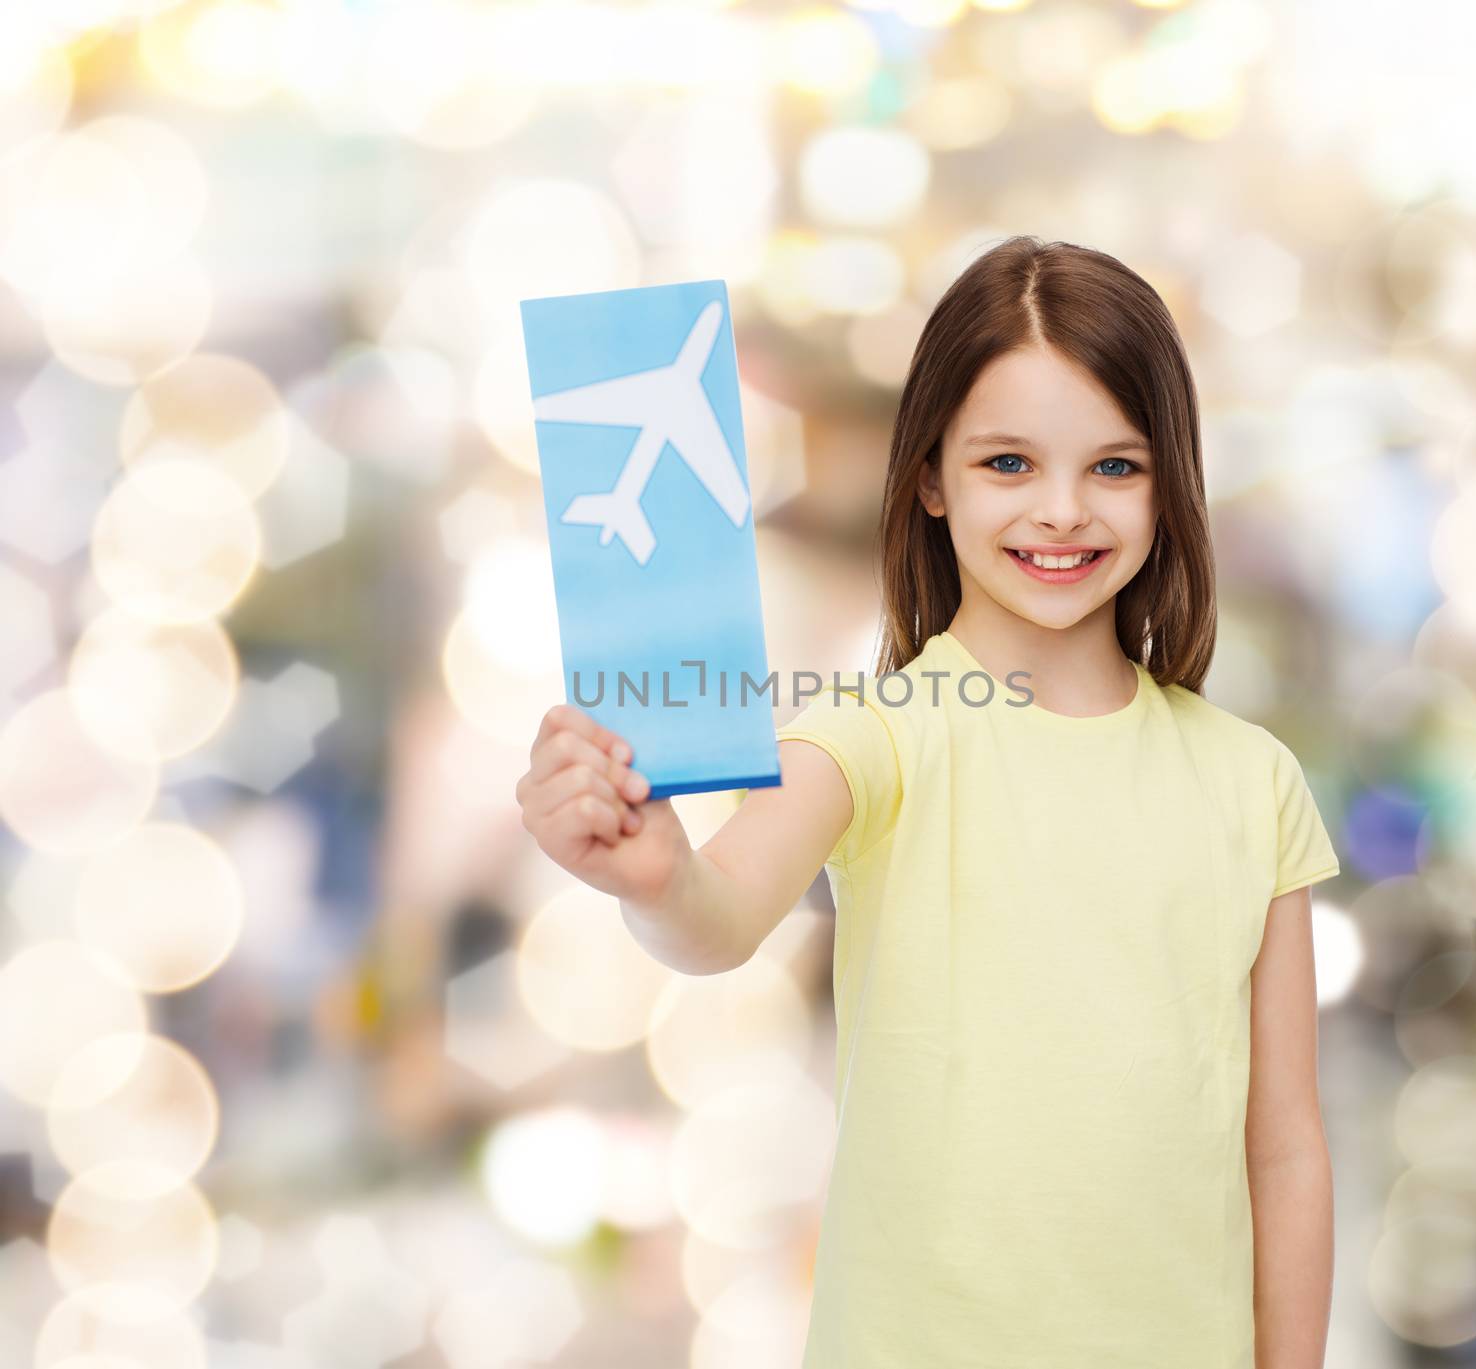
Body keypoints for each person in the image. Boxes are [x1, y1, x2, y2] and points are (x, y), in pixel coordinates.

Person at [514, 235, 1341, 1368]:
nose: (1062, 510)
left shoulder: (1253, 782)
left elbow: (1284, 1149)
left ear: (1169, 483)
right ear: (928, 478)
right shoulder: (876, 735)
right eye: (1009, 463)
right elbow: (716, 915)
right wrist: (657, 876)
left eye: (1114, 465)